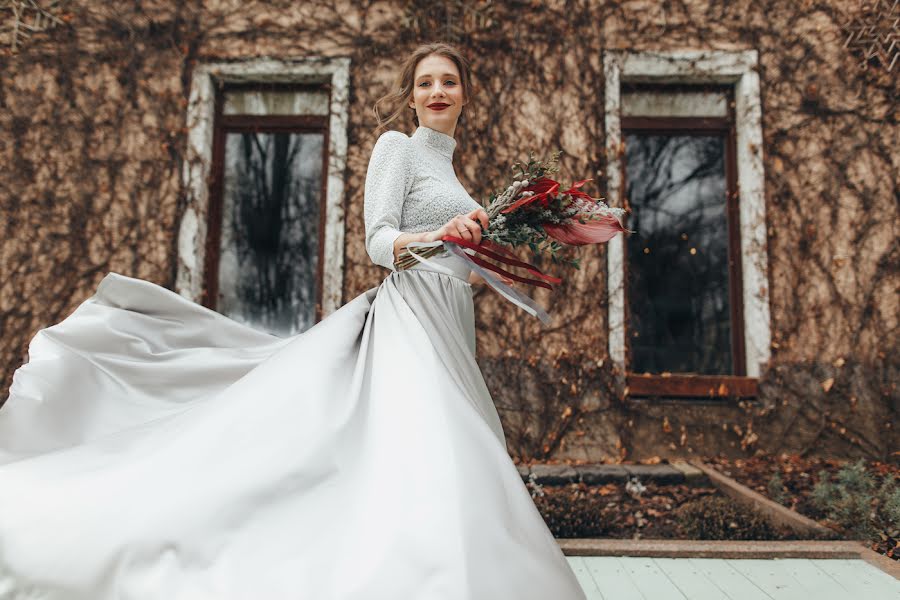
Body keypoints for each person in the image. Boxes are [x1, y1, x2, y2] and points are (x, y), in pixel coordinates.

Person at [0, 42, 588, 599]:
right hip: (410, 319)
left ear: (465, 94)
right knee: (429, 448)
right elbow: (378, 241)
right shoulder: (396, 149)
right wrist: (436, 237)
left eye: (448, 82)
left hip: (451, 323)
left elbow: (459, 264)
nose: (437, 90)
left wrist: (487, 245)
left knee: (452, 454)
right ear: (410, 96)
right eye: (425, 82)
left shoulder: (458, 179)